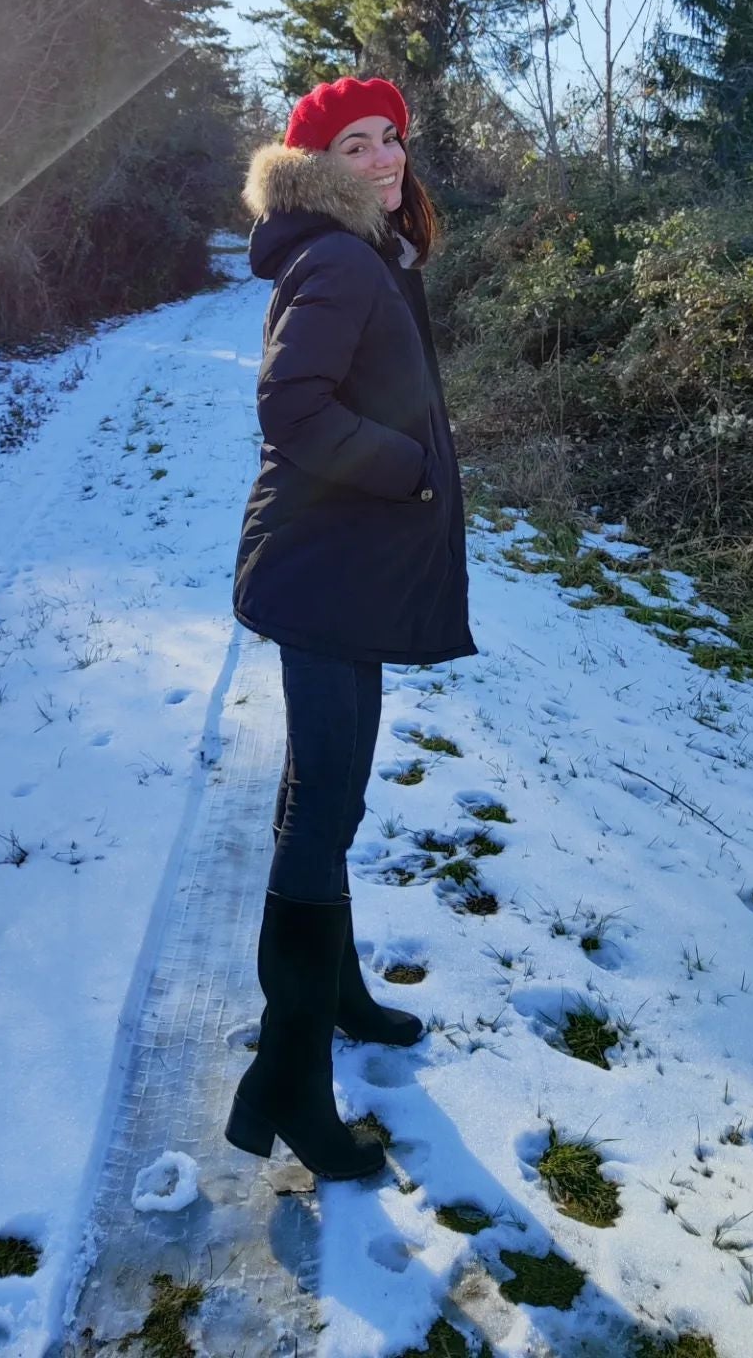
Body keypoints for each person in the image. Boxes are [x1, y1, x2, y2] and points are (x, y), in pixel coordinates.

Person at [225, 75, 478, 1182]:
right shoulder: (335, 258)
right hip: (326, 570)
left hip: (346, 568)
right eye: (358, 144)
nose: (385, 160)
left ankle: (338, 992)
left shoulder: (370, 254)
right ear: (318, 161)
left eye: (395, 140)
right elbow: (292, 409)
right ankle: (286, 1082)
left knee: (328, 791)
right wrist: (408, 468)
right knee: (324, 803)